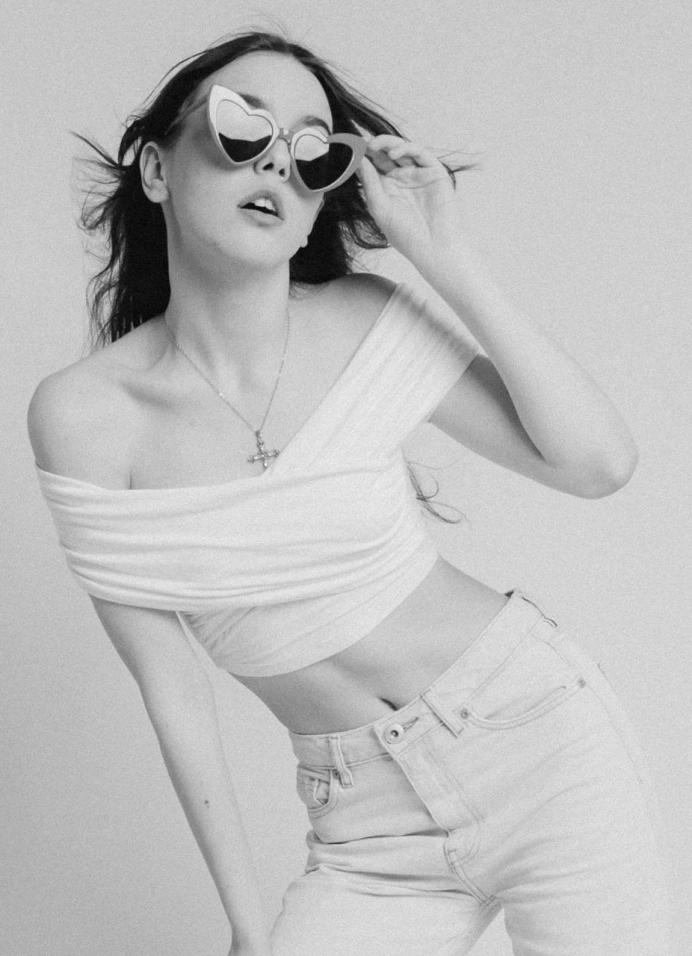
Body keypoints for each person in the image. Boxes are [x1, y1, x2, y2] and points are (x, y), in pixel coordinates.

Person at [28, 28, 671, 956]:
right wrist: (247, 927)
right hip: (367, 829)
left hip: (539, 739)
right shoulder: (85, 417)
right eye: (242, 127)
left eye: (312, 150)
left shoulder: (364, 319)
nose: (276, 164)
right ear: (158, 169)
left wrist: (442, 253)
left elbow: (597, 465)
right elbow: (174, 691)